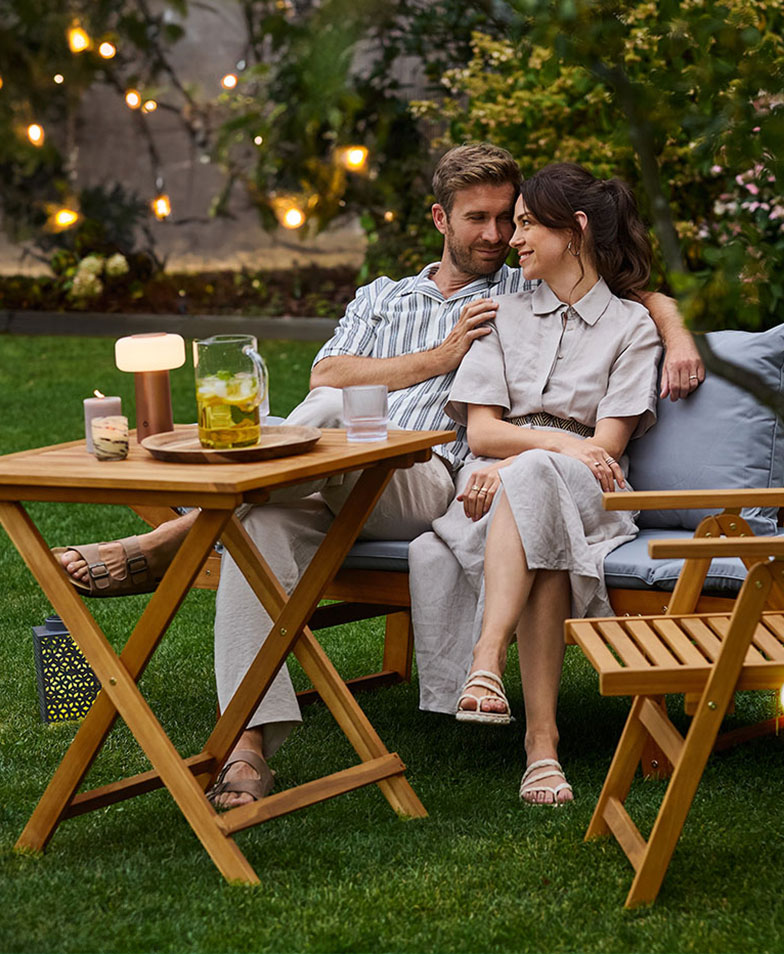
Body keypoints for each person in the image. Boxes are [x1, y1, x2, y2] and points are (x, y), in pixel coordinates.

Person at [55, 143, 703, 807]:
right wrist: (441, 354)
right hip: (337, 468)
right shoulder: (382, 297)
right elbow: (326, 375)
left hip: (425, 473)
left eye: (510, 219)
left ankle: (184, 532)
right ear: (439, 219)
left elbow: (624, 292)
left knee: (310, 445)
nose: (499, 235)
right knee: (268, 517)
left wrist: (677, 329)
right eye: (479, 218)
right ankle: (246, 747)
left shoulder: (516, 286)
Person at [409, 162, 662, 805]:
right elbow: (484, 434)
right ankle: (541, 749)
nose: (513, 239)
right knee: (541, 525)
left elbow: (605, 448)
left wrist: (529, 460)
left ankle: (486, 660)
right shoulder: (503, 315)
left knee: (540, 482)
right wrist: (545, 446)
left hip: (586, 491)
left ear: (573, 231)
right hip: (504, 480)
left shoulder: (632, 327)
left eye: (524, 224)